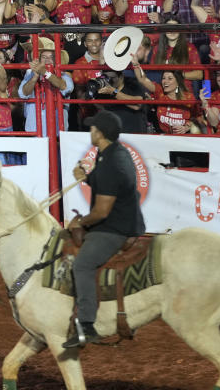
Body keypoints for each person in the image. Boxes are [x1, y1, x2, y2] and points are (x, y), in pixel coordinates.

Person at [62, 110, 146, 349]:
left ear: (99, 133)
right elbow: (107, 184)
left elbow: (101, 212)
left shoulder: (112, 162)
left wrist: (81, 222)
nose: (90, 131)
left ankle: (86, 325)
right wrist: (86, 178)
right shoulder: (110, 154)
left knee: (83, 264)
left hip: (115, 226)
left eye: (92, 128)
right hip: (122, 220)